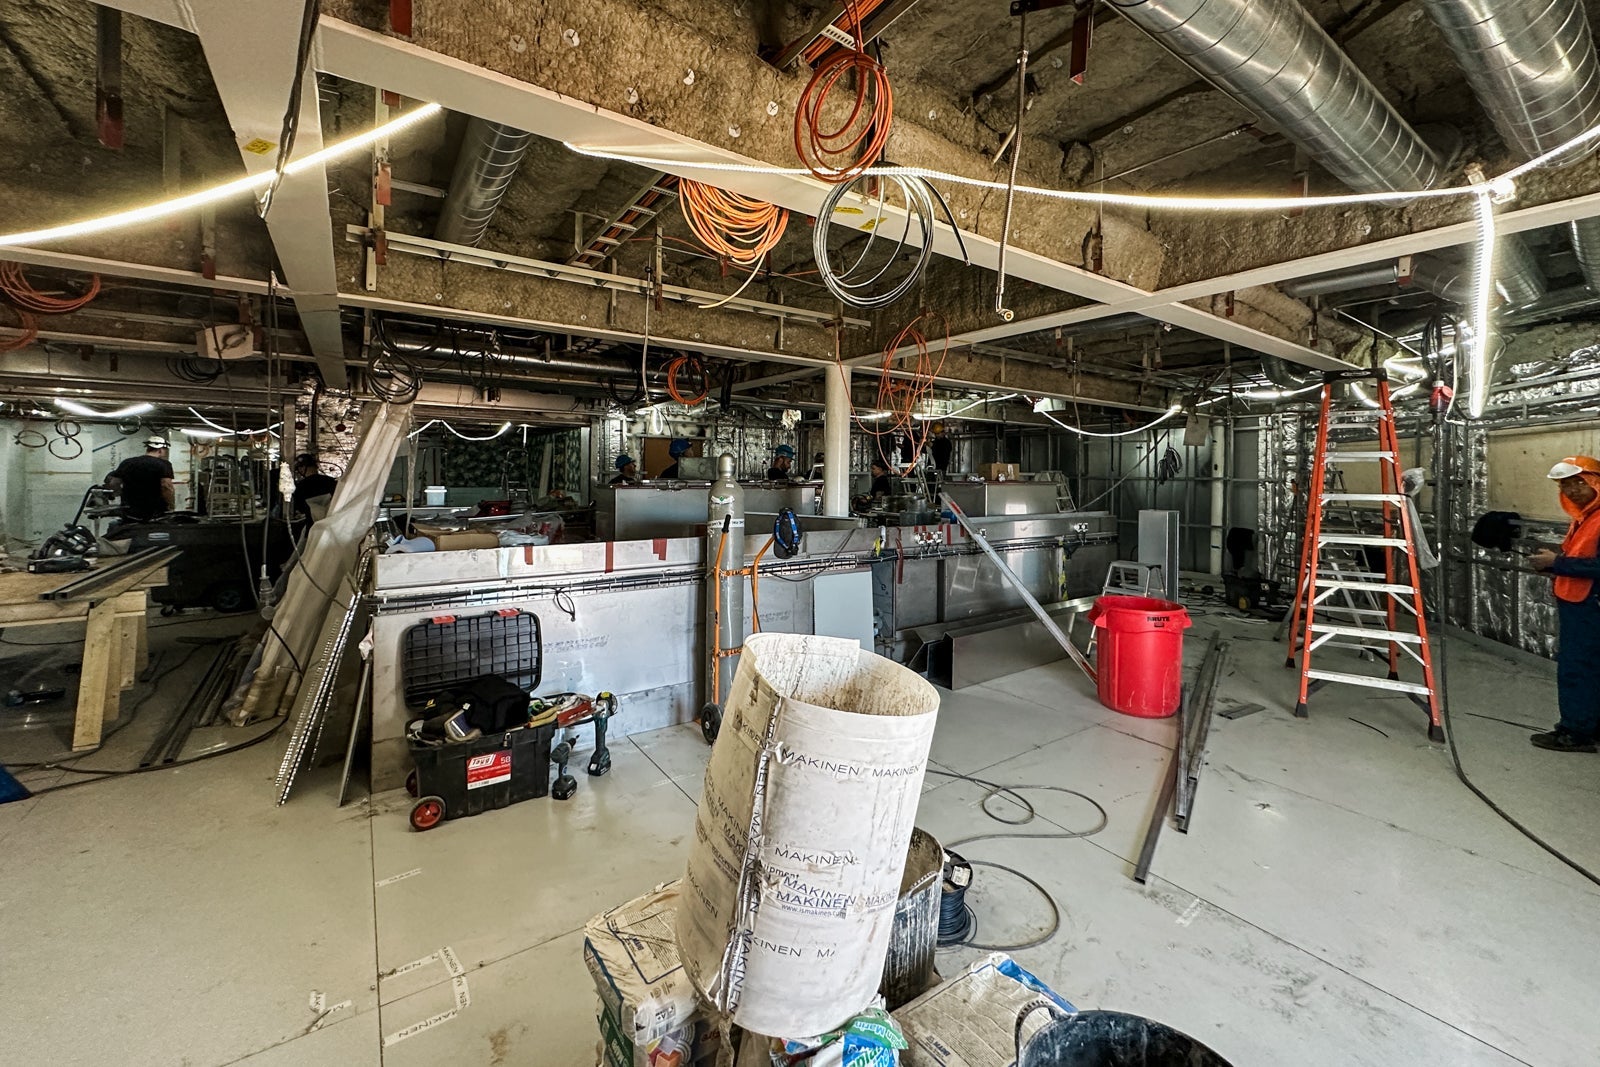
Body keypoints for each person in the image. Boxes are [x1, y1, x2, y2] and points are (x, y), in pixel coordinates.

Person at [1528, 455, 1600, 753]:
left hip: (1590, 606)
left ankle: (1574, 732)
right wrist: (1554, 565)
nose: (1572, 491)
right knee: (1589, 668)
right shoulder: (1586, 518)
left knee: (1577, 668)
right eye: (1565, 485)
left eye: (1578, 483)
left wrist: (1557, 562)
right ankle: (1588, 726)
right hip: (1580, 602)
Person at [107, 436, 175, 521]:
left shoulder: (127, 462)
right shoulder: (164, 464)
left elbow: (114, 483)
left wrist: (119, 494)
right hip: (156, 513)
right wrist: (171, 506)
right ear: (160, 450)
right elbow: (166, 486)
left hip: (130, 513)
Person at [291, 453, 339, 529]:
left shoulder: (300, 487)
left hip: (311, 528)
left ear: (302, 468)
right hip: (332, 525)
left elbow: (299, 510)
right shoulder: (331, 482)